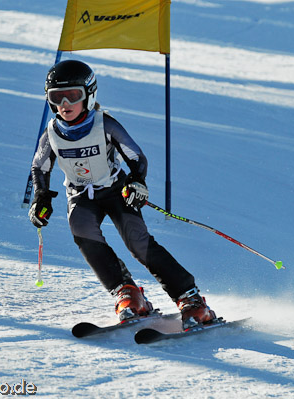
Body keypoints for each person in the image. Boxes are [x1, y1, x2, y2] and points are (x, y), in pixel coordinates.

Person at [29, 59, 216, 330]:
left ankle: (191, 299)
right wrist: (41, 198)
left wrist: (137, 182)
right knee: (82, 231)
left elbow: (136, 157)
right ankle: (127, 293)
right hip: (81, 196)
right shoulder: (52, 134)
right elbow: (39, 166)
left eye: (73, 96)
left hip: (117, 190)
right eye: (57, 97)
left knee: (137, 241)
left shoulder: (105, 124)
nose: (64, 105)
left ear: (89, 95)